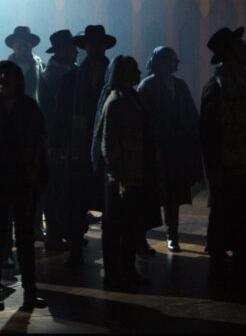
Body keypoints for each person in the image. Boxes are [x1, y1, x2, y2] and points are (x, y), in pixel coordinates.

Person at [0, 60, 48, 311]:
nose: (2, 77)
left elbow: (39, 148)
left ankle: (30, 292)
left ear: (17, 78)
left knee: (25, 239)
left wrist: (40, 181)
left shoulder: (30, 107)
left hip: (23, 182)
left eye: (7, 74)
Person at [200, 27, 246, 287]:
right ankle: (218, 268)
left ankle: (242, 265)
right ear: (230, 52)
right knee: (221, 217)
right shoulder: (217, 86)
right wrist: (214, 169)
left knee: (243, 215)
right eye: (240, 47)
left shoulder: (243, 79)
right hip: (227, 166)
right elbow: (208, 134)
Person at [50, 25, 115, 268]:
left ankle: (111, 254)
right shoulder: (72, 78)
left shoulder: (114, 75)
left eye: (99, 43)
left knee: (110, 204)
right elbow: (60, 115)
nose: (96, 47)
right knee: (76, 201)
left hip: (107, 148)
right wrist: (56, 145)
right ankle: (76, 248)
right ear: (85, 46)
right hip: (78, 149)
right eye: (92, 43)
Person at [96, 56, 161, 290]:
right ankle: (113, 272)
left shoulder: (133, 98)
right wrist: (116, 173)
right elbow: (108, 142)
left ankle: (128, 268)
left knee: (131, 224)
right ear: (122, 74)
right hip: (121, 176)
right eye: (133, 70)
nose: (139, 72)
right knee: (115, 226)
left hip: (135, 172)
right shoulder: (115, 101)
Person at [137, 47, 202, 252]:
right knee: (152, 194)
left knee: (173, 195)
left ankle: (172, 234)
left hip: (176, 148)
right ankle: (143, 236)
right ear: (162, 62)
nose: (177, 63)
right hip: (157, 148)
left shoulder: (180, 85)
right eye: (172, 60)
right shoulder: (147, 86)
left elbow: (191, 113)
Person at [38, 29, 78, 251]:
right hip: (57, 140)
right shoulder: (54, 75)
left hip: (62, 139)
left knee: (64, 189)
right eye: (72, 47)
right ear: (62, 50)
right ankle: (54, 234)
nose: (76, 51)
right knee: (56, 190)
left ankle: (62, 232)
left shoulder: (65, 71)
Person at [4, 26, 44, 101]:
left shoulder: (42, 68)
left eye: (25, 44)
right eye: (19, 44)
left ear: (31, 45)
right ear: (13, 46)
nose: (23, 47)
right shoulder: (4, 70)